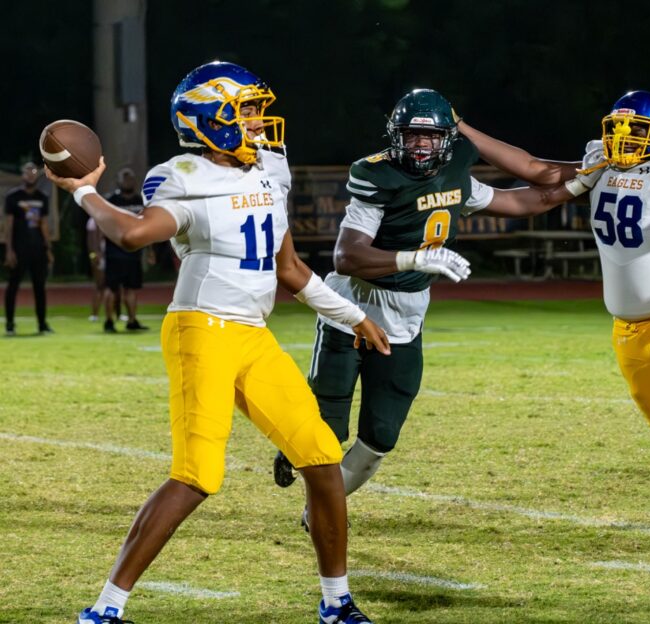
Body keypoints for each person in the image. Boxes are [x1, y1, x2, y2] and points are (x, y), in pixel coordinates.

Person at [44, 61, 390, 624]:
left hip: (253, 335)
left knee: (323, 458)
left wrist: (352, 317)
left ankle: (336, 603)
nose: (259, 122)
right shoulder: (181, 174)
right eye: (247, 111)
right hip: (200, 330)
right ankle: (105, 609)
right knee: (197, 475)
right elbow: (133, 234)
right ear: (211, 119)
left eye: (257, 110)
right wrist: (85, 192)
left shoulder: (267, 172)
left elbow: (292, 269)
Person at [457, 90, 650, 536]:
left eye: (637, 131)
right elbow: (531, 168)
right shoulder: (599, 166)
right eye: (617, 130)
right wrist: (462, 127)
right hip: (629, 328)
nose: (624, 140)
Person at [272, 88, 575, 529]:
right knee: (327, 430)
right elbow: (347, 256)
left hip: (407, 315)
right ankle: (302, 463)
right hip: (353, 306)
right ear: (396, 136)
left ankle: (317, 509)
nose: (419, 146)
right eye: (412, 136)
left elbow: (526, 199)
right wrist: (412, 258)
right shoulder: (378, 176)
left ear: (447, 141)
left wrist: (583, 181)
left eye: (429, 138)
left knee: (380, 438)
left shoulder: (454, 175)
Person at [4, 161, 53, 335]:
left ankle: (42, 324)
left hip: (38, 249)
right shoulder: (13, 197)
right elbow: (8, 226)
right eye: (27, 171)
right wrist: (9, 250)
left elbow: (44, 225)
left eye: (33, 171)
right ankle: (10, 324)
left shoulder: (42, 197)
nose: (30, 175)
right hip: (19, 248)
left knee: (40, 287)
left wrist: (48, 249)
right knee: (13, 287)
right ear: (22, 175)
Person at [103, 167, 149, 332]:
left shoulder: (140, 201)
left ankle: (132, 320)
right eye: (124, 178)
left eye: (130, 178)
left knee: (131, 288)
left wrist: (149, 250)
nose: (127, 181)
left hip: (134, 253)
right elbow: (103, 225)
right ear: (118, 181)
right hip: (114, 252)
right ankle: (109, 321)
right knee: (111, 288)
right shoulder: (111, 201)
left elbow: (147, 226)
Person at [85, 216, 107, 322]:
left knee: (114, 287)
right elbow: (91, 240)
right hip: (100, 256)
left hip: (110, 255)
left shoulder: (109, 218)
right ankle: (94, 314)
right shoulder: (93, 221)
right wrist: (94, 255)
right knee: (99, 285)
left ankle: (118, 314)